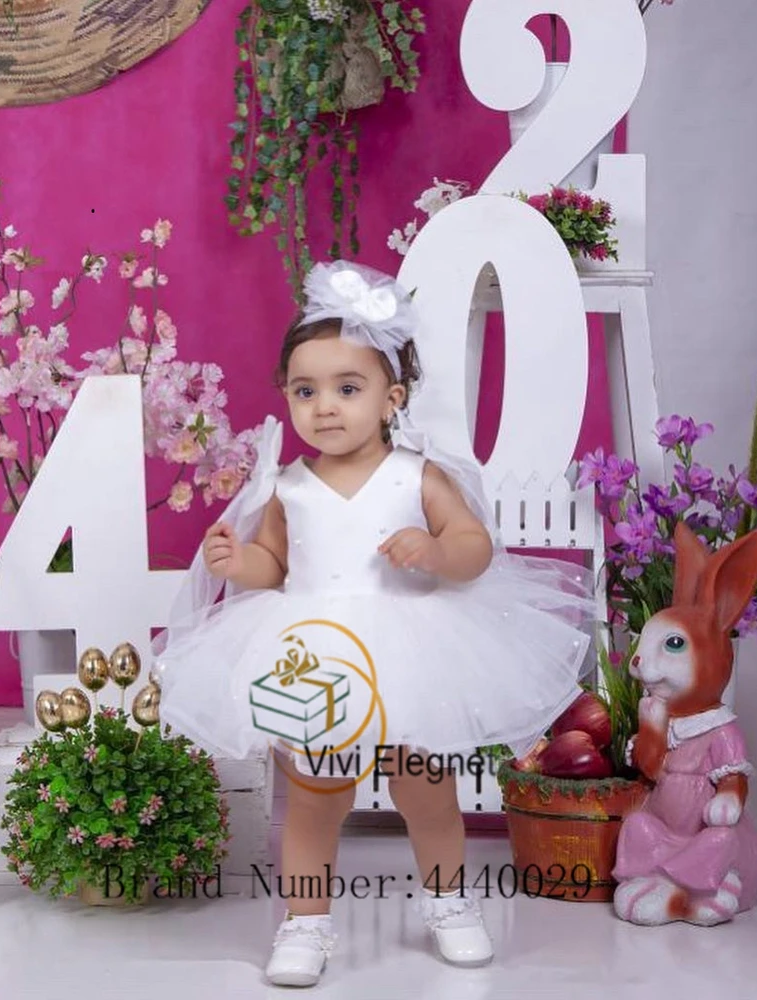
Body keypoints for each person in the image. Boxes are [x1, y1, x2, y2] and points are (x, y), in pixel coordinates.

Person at [151, 260, 595, 987]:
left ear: (391, 398)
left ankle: (449, 902)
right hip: (316, 655)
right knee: (317, 796)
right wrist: (239, 564)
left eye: (347, 388)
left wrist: (435, 550)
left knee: (425, 784)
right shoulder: (287, 488)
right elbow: (276, 564)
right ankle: (305, 924)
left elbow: (476, 547)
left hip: (410, 647)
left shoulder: (418, 475)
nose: (324, 406)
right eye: (306, 390)